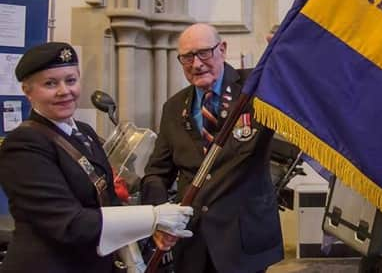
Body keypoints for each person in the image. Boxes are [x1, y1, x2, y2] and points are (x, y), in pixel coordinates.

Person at [0, 42, 193, 273]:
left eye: (70, 80)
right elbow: (69, 224)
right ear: (27, 91)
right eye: (50, 83)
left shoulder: (84, 133)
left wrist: (141, 246)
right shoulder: (23, 145)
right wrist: (152, 217)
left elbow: (107, 200)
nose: (64, 91)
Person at [141, 23, 284, 273]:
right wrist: (160, 219)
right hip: (193, 240)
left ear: (222, 49)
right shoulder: (174, 108)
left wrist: (286, 58)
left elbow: (299, 87)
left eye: (204, 53)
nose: (196, 64)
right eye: (187, 57)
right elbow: (156, 172)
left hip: (242, 240)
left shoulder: (255, 87)